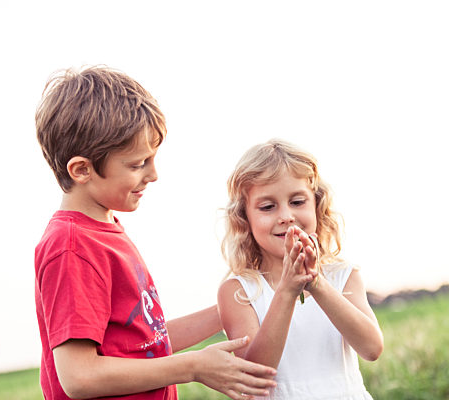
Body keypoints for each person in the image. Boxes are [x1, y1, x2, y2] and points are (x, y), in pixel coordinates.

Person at [34, 66, 276, 400]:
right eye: (137, 164)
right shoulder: (73, 246)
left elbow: (144, 344)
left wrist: (235, 305)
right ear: (81, 170)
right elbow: (79, 376)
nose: (153, 174)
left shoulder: (106, 231)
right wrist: (191, 367)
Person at [218, 139, 385, 399]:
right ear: (244, 218)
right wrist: (286, 291)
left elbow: (372, 348)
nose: (286, 215)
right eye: (268, 207)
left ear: (316, 205)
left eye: (297, 202)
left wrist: (316, 283)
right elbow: (253, 376)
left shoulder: (343, 275)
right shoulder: (238, 292)